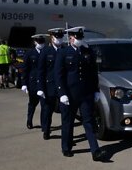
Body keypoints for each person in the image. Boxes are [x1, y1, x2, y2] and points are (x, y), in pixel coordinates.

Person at [55, 26, 106, 161]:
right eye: (77, 37)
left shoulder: (87, 51)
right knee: (68, 122)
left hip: (85, 94)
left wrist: (95, 90)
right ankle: (66, 147)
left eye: (81, 37)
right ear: (70, 38)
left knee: (88, 121)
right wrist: (62, 93)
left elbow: (93, 73)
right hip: (70, 95)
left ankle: (95, 151)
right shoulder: (63, 53)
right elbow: (58, 75)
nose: (79, 40)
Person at [37, 28, 65, 140]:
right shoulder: (46, 51)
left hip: (63, 86)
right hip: (50, 87)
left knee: (65, 112)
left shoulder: (65, 50)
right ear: (52, 38)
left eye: (60, 37)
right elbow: (41, 71)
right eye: (57, 37)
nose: (59, 39)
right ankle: (46, 130)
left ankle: (66, 136)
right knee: (48, 111)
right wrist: (41, 88)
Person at [21, 34, 48, 130]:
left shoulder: (46, 52)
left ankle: (44, 125)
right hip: (33, 83)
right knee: (32, 104)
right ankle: (29, 120)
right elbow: (25, 69)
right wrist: (24, 83)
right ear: (35, 42)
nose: (41, 44)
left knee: (44, 106)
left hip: (44, 83)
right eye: (39, 42)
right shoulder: (29, 53)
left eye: (42, 42)